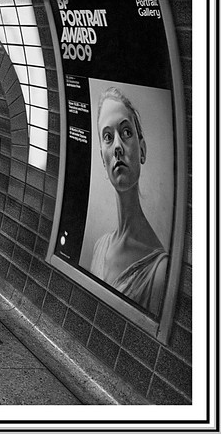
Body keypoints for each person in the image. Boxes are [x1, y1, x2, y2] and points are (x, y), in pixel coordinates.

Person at [88, 86, 169, 314]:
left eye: (125, 133)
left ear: (141, 150)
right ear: (103, 160)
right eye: (107, 137)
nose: (117, 147)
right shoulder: (99, 247)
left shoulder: (159, 270)